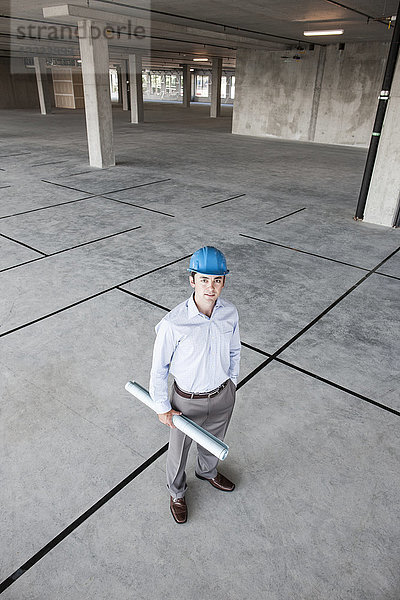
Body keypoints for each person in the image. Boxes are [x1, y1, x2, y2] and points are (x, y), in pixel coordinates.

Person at [149, 246, 241, 524]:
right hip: (186, 402)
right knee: (178, 452)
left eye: (217, 280)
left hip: (222, 395)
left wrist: (232, 385)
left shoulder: (230, 313)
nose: (210, 287)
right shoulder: (173, 324)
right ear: (192, 280)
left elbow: (235, 351)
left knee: (214, 442)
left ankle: (208, 471)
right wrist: (162, 407)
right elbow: (159, 368)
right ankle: (176, 492)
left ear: (223, 281)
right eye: (204, 279)